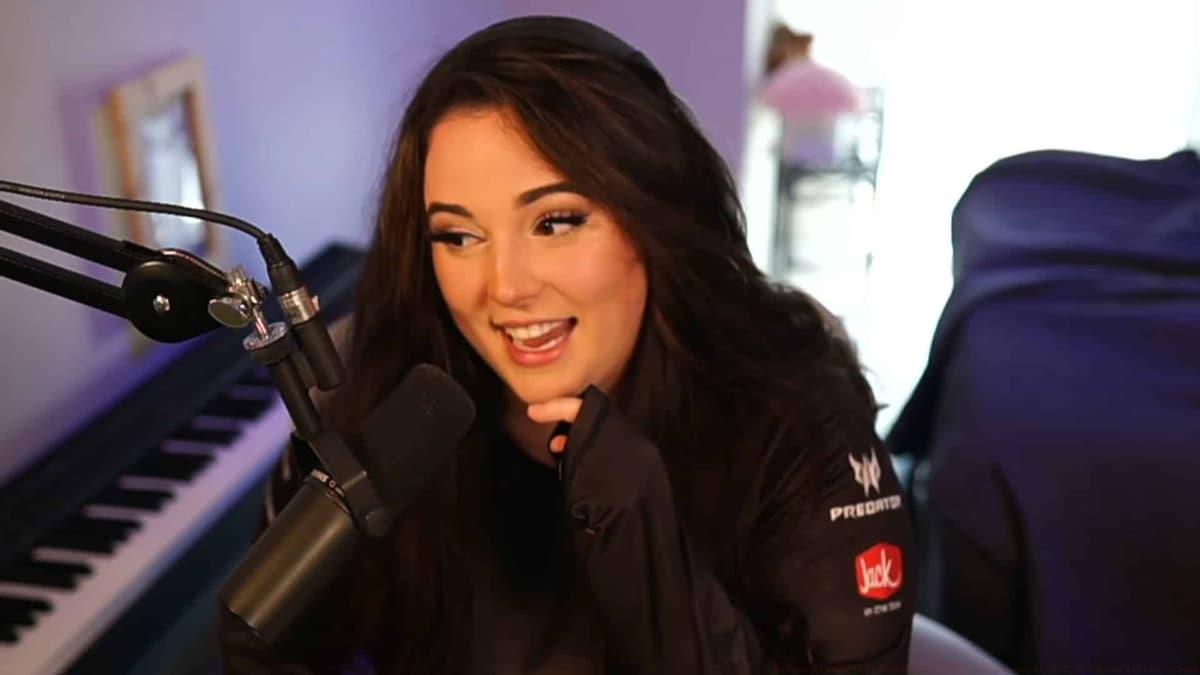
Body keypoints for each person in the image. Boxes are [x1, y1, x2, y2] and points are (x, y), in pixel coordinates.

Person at [220, 15, 914, 674]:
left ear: (653, 214)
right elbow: (272, 648)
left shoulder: (800, 423)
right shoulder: (379, 398)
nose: (505, 286)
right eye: (458, 236)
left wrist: (643, 542)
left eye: (554, 222)